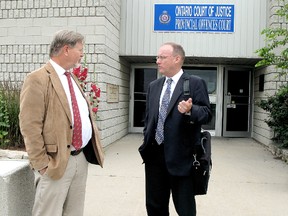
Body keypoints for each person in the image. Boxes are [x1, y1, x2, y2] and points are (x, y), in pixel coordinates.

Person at [19, 30, 104, 216]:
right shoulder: (37, 79)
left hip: (79, 160)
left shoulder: (72, 78)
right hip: (55, 163)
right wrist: (42, 164)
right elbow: (29, 125)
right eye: (80, 49)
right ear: (66, 49)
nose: (82, 54)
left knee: (74, 212)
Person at [138, 42, 212, 216]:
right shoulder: (154, 86)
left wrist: (190, 110)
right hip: (154, 155)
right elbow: (149, 118)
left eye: (162, 57)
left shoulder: (194, 83)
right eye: (157, 57)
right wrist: (146, 141)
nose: (157, 61)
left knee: (185, 208)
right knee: (155, 206)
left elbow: (207, 114)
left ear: (177, 59)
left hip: (182, 157)